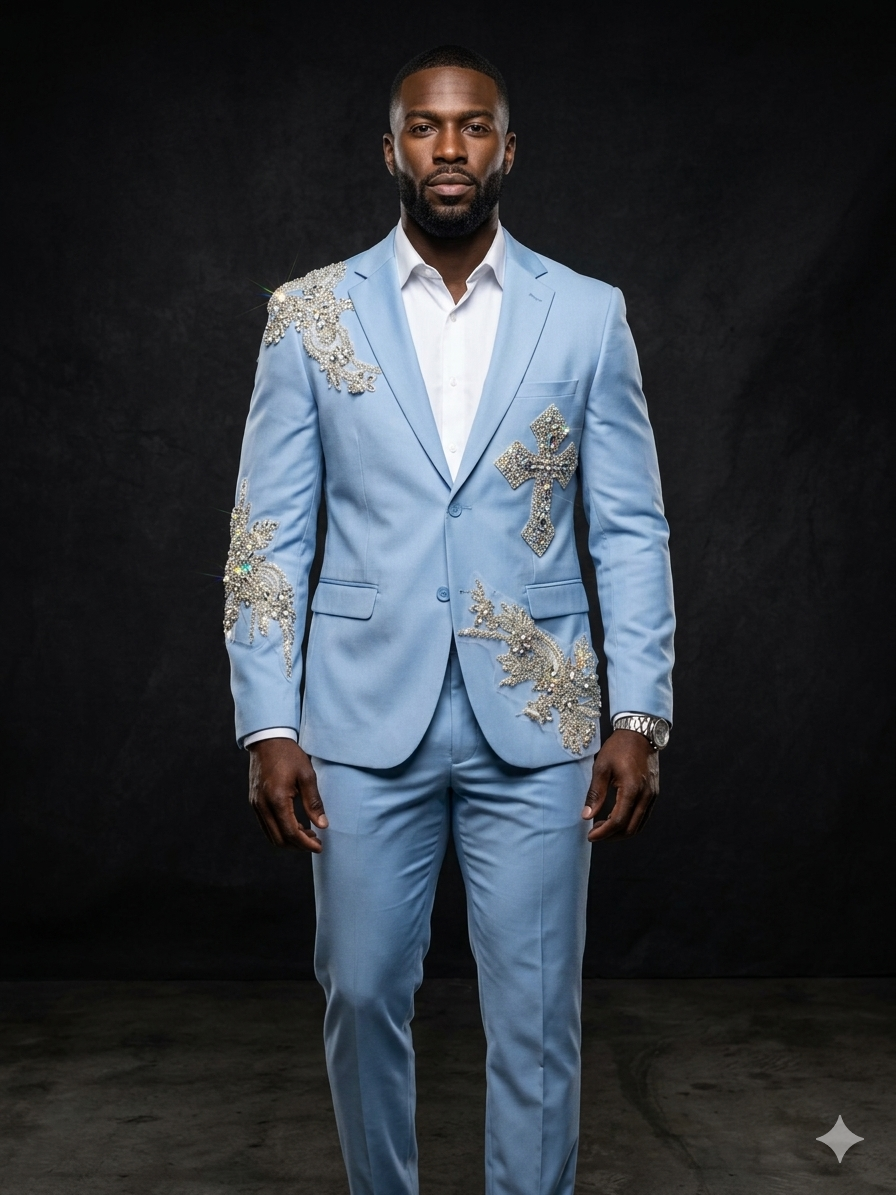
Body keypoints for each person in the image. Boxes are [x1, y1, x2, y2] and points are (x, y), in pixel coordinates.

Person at [224, 44, 674, 1195]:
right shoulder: (308, 314)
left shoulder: (584, 314)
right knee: (362, 987)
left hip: (540, 710)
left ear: (506, 149)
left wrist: (639, 710)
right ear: (390, 151)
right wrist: (266, 721)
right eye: (424, 128)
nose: (448, 147)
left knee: (532, 1010)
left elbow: (627, 526)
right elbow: (267, 534)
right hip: (359, 718)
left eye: (472, 127)